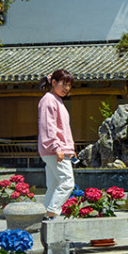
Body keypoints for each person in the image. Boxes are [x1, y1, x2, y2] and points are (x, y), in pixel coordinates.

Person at [38, 69, 76, 220]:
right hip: (55, 150)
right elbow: (48, 126)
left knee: (54, 185)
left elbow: (62, 128)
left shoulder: (55, 99)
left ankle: (45, 215)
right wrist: (56, 147)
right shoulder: (49, 100)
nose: (67, 88)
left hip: (57, 149)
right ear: (53, 82)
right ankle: (51, 212)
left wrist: (70, 149)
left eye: (69, 85)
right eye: (64, 84)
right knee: (67, 182)